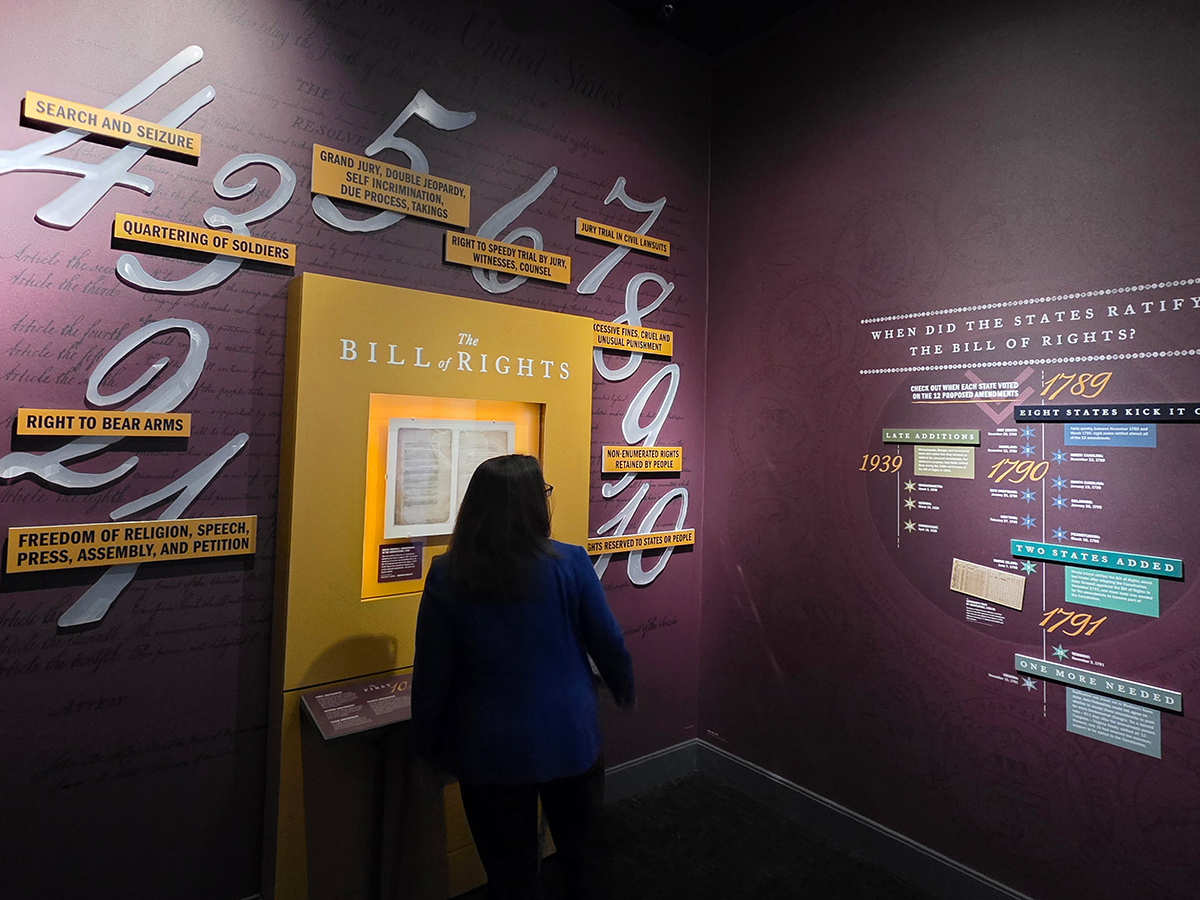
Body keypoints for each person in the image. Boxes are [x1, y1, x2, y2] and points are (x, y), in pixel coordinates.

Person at [411, 454, 635, 900]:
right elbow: (607, 641)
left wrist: (427, 751)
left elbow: (432, 676)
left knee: (508, 874)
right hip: (570, 737)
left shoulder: (447, 573)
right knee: (584, 860)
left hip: (488, 749)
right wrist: (622, 685)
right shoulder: (571, 563)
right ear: (536, 503)